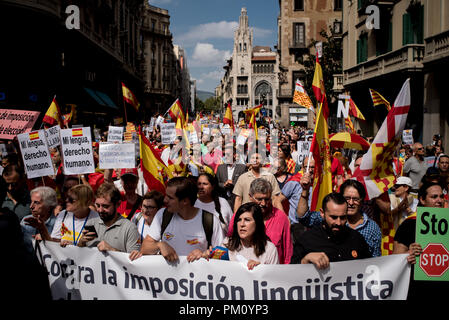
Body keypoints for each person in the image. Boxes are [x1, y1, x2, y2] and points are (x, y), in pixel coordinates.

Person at [129, 177, 224, 262]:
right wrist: (160, 245)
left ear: (185, 201)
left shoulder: (210, 220)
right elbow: (144, 248)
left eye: (170, 198)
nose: (165, 200)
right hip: (168, 280)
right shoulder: (163, 215)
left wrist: (204, 254)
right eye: (166, 195)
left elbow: (222, 255)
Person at [297, 177, 382, 257]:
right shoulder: (327, 218)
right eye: (347, 198)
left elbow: (375, 261)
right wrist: (305, 191)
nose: (351, 203)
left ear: (362, 201)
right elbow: (303, 217)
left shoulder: (372, 228)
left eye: (355, 199)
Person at [393, 182, 449, 300]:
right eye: (434, 197)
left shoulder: (447, 224)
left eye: (441, 197)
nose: (439, 200)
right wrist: (408, 254)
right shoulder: (408, 224)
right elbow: (395, 259)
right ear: (422, 200)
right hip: (416, 289)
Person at [291, 192, 372, 267]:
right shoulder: (307, 240)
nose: (338, 222)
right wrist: (305, 260)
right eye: (333, 217)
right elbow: (291, 272)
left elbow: (370, 267)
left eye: (343, 217)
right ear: (322, 213)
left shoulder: (357, 239)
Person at [228, 178, 292, 264]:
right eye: (259, 199)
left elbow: (287, 253)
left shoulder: (281, 218)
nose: (263, 204)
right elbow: (230, 243)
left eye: (267, 199)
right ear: (250, 196)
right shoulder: (239, 216)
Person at [202, 202, 279, 269]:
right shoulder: (227, 244)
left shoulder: (270, 249)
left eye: (247, 220)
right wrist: (207, 257)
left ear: (257, 223)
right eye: (239, 220)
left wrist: (259, 270)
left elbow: (273, 280)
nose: (242, 224)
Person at [78, 183, 141, 253]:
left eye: (105, 206)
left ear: (118, 204)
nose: (100, 210)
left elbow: (134, 261)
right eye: (98, 205)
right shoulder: (91, 223)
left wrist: (112, 250)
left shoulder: (130, 228)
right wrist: (81, 242)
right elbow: (80, 255)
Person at [20, 186, 58, 254]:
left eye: (36, 203)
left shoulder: (58, 224)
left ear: (49, 206)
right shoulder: (26, 220)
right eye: (31, 201)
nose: (31, 206)